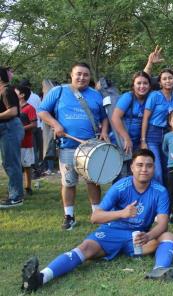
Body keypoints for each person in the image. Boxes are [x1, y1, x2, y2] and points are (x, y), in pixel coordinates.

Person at [20, 149, 173, 293]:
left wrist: (149, 236)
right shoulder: (120, 187)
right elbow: (95, 217)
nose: (144, 169)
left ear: (154, 168)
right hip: (111, 233)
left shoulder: (160, 191)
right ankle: (40, 278)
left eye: (149, 165)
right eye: (139, 165)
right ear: (132, 167)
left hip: (138, 238)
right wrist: (122, 213)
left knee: (169, 236)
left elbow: (162, 223)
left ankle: (159, 270)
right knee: (85, 248)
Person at [38, 62, 109, 229]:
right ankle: (69, 216)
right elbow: (42, 111)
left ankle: (96, 213)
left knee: (93, 181)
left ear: (90, 77)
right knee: (68, 182)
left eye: (85, 75)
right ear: (71, 74)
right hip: (67, 145)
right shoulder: (59, 91)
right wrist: (56, 125)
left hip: (91, 145)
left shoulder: (96, 95)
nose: (82, 77)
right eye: (78, 74)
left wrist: (104, 131)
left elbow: (104, 117)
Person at [112, 71, 152, 179]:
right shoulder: (128, 97)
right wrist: (126, 138)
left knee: (137, 174)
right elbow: (115, 117)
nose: (142, 86)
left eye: (145, 83)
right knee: (123, 174)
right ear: (133, 85)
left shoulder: (150, 98)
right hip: (124, 142)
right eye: (138, 83)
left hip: (139, 142)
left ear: (149, 85)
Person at [141, 69, 173, 184]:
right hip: (152, 134)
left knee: (168, 168)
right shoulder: (154, 95)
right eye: (164, 79)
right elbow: (145, 119)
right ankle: (157, 197)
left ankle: (167, 196)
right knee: (157, 171)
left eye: (170, 78)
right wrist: (143, 140)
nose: (168, 81)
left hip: (168, 134)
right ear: (160, 82)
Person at [0, 67, 25, 208]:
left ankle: (16, 198)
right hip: (6, 128)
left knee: (11, 163)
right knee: (8, 163)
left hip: (9, 128)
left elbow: (13, 111)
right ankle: (15, 193)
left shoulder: (6, 90)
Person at [16, 86, 37, 195]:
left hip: (26, 142)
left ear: (22, 95)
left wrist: (19, 129)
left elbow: (34, 124)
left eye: (16, 92)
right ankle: (17, 187)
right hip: (15, 142)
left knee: (27, 165)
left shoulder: (30, 108)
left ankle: (28, 187)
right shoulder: (14, 108)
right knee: (16, 165)